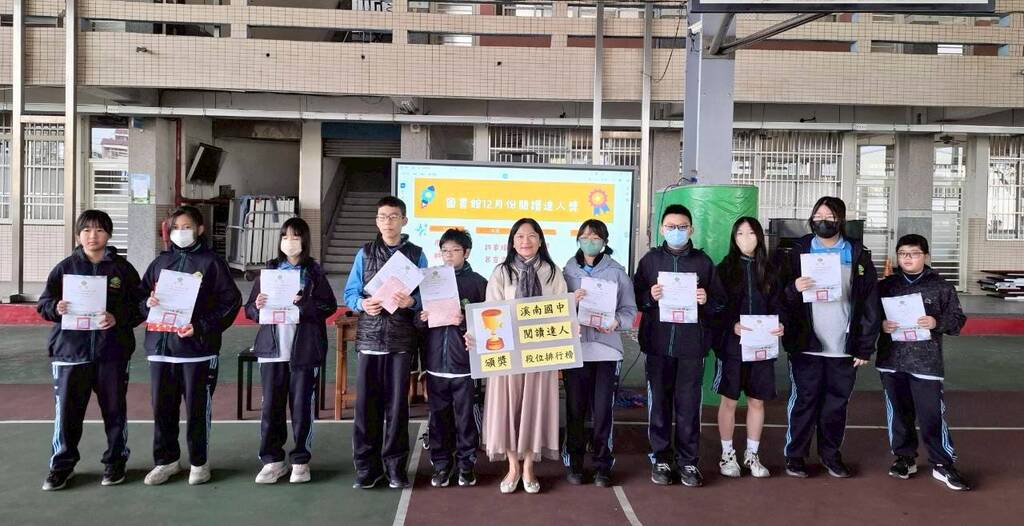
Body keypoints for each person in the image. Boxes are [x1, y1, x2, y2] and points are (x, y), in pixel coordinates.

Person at [37, 210, 144, 490]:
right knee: (67, 414)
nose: (92, 236)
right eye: (86, 230)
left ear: (108, 234)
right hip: (70, 352)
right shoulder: (64, 268)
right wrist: (56, 308)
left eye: (98, 230)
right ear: (78, 235)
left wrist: (118, 318)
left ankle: (115, 462)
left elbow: (140, 306)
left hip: (112, 353)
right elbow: (44, 303)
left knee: (114, 411)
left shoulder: (122, 270)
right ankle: (61, 466)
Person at [140, 205, 242, 486]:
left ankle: (199, 462)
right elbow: (140, 296)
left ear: (200, 229)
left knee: (197, 410)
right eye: (176, 228)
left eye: (187, 227)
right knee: (162, 409)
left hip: (197, 351)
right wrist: (146, 304)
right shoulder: (160, 262)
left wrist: (201, 327)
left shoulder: (212, 263)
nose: (181, 232)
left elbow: (230, 302)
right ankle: (166, 461)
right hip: (161, 350)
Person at [782, 196, 880, 479]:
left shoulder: (858, 254)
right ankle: (795, 456)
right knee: (804, 401)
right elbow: (780, 295)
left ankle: (830, 455)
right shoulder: (797, 251)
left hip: (843, 345)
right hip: (807, 344)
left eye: (829, 217)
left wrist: (864, 346)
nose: (823, 221)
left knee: (836, 405)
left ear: (841, 220)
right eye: (818, 216)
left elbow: (870, 303)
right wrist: (794, 287)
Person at [633, 204, 725, 487]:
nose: (676, 231)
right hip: (658, 345)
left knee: (688, 407)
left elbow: (720, 303)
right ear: (662, 229)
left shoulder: (703, 263)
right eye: (671, 227)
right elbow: (635, 299)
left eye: (682, 227)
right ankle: (661, 459)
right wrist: (649, 296)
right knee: (659, 405)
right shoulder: (650, 261)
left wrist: (706, 300)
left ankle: (688, 462)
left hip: (691, 347)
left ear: (691, 230)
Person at [343, 196, 429, 489]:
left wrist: (412, 301)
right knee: (366, 408)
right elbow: (350, 293)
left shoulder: (417, 255)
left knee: (397, 408)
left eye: (393, 217)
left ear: (404, 221)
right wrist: (362, 304)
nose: (388, 222)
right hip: (369, 339)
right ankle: (367, 469)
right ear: (376, 221)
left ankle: (395, 468)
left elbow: (426, 296)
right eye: (382, 217)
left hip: (401, 342)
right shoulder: (364, 253)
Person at [245, 217, 337, 484]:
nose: (289, 241)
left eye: (295, 236)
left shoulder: (314, 273)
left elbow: (328, 306)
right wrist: (257, 306)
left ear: (304, 240)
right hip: (272, 349)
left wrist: (305, 304)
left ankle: (300, 460)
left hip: (304, 350)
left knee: (301, 408)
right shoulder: (269, 271)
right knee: (271, 407)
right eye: (285, 236)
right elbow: (250, 309)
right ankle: (272, 460)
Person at [479, 218, 567, 495]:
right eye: (519, 236)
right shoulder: (501, 272)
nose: (525, 241)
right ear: (512, 241)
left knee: (533, 407)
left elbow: (562, 310)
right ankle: (512, 467)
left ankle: (528, 466)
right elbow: (490, 311)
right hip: (508, 351)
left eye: (531, 236)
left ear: (540, 241)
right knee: (508, 407)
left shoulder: (552, 272)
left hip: (541, 353)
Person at [877, 234, 969, 490]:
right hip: (892, 361)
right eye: (902, 253)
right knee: (898, 414)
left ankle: (942, 463)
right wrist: (881, 325)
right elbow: (869, 318)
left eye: (914, 253)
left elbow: (958, 321)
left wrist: (936, 322)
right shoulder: (886, 286)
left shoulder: (941, 287)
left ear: (926, 256)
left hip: (926, 364)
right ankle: (905, 458)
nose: (907, 258)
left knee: (931, 415)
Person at [561, 219, 636, 488]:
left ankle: (603, 465)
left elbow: (629, 311)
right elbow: (556, 308)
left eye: (595, 237)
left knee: (603, 411)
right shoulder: (566, 272)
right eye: (585, 236)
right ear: (578, 239)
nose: (590, 241)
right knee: (575, 410)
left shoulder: (618, 273)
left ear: (604, 241)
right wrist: (571, 301)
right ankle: (575, 463)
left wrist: (617, 321)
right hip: (576, 350)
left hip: (607, 351)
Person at [713, 217, 785, 479]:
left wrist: (781, 324)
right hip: (732, 348)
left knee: (757, 401)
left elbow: (779, 304)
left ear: (759, 237)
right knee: (729, 401)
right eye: (740, 233)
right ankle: (727, 454)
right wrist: (730, 325)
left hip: (762, 346)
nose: (746, 238)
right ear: (734, 238)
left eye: (751, 233)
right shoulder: (723, 270)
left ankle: (752, 454)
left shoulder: (770, 270)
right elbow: (715, 308)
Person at [418, 229, 487, 488]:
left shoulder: (478, 283)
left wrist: (465, 319)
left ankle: (466, 465)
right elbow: (416, 320)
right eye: (444, 251)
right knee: (438, 418)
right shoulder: (429, 281)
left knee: (466, 418)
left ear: (466, 253)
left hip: (465, 366)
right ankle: (441, 465)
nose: (449, 256)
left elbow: (489, 322)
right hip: (436, 364)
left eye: (455, 251)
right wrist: (421, 318)